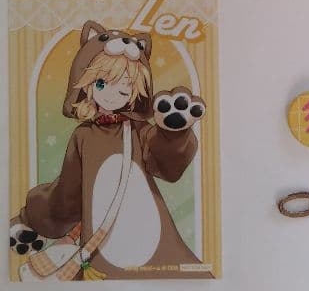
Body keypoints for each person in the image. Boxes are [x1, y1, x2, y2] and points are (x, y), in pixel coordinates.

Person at [10, 21, 207, 280]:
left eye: (126, 86)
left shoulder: (138, 130)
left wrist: (173, 131)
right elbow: (68, 192)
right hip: (102, 249)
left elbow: (165, 162)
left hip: (153, 240)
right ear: (85, 84)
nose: (114, 94)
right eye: (102, 83)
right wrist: (31, 218)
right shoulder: (83, 136)